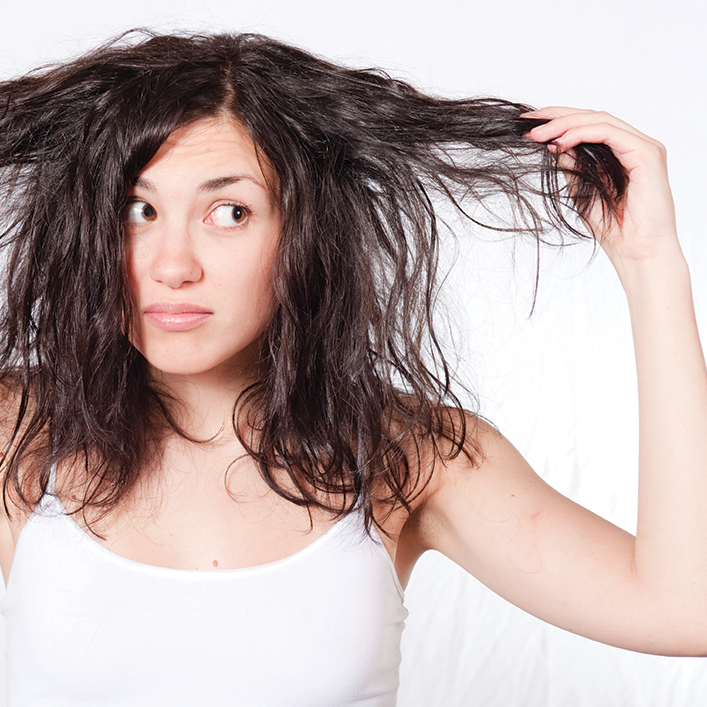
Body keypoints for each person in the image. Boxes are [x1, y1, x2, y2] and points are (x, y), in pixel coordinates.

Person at [0, 30, 704, 706]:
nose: (171, 264)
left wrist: (651, 266)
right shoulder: (17, 432)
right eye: (137, 208)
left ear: (303, 232)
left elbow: (684, 609)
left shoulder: (412, 454)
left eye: (229, 211)